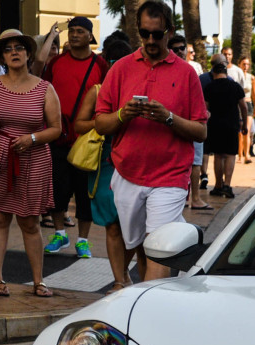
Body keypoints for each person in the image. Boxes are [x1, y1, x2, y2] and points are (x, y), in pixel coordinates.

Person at [94, 0, 207, 280]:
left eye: (157, 34)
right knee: (138, 245)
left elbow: (201, 130)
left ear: (169, 31)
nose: (151, 40)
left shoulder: (186, 73)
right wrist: (123, 115)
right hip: (128, 174)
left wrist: (168, 118)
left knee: (158, 246)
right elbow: (100, 123)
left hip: (170, 177)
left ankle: (146, 309)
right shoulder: (120, 68)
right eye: (145, 34)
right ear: (138, 32)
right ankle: (130, 290)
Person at [0, 29, 62, 298]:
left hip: (34, 159)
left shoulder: (45, 87)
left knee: (30, 222)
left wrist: (32, 138)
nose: (14, 52)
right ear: (2, 56)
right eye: (8, 49)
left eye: (19, 47)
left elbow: (56, 129)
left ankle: (39, 281)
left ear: (28, 53)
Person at [72, 33, 138, 289]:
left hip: (133, 163)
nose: (117, 66)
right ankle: (120, 279)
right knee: (112, 223)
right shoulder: (97, 91)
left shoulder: (139, 93)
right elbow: (78, 124)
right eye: (112, 61)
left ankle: (122, 271)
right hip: (104, 163)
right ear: (107, 63)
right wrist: (106, 121)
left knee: (133, 225)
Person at [40, 16, 107, 259]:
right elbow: (43, 93)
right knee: (56, 190)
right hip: (57, 136)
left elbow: (107, 99)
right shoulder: (56, 62)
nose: (74, 35)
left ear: (90, 36)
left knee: (84, 193)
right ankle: (60, 233)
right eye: (73, 31)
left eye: (80, 31)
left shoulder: (101, 65)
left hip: (87, 140)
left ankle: (83, 240)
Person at [167, 33, 210, 212]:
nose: (179, 52)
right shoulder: (170, 71)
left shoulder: (193, 69)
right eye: (175, 49)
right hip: (174, 122)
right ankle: (192, 198)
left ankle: (194, 198)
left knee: (195, 161)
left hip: (192, 121)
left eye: (181, 48)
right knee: (191, 161)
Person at [203, 55, 246, 199]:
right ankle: (227, 185)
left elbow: (205, 108)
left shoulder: (209, 87)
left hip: (214, 125)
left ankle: (218, 186)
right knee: (230, 155)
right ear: (226, 73)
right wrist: (244, 123)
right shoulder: (235, 86)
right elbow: (244, 106)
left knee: (218, 155)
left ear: (214, 73)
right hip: (232, 125)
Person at [238, 56, 255, 163]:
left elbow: (254, 92)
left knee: (247, 130)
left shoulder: (251, 77)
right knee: (239, 132)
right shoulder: (236, 75)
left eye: (247, 64)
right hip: (239, 104)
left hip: (248, 103)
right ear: (239, 64)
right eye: (244, 64)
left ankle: (247, 155)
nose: (246, 66)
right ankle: (240, 155)